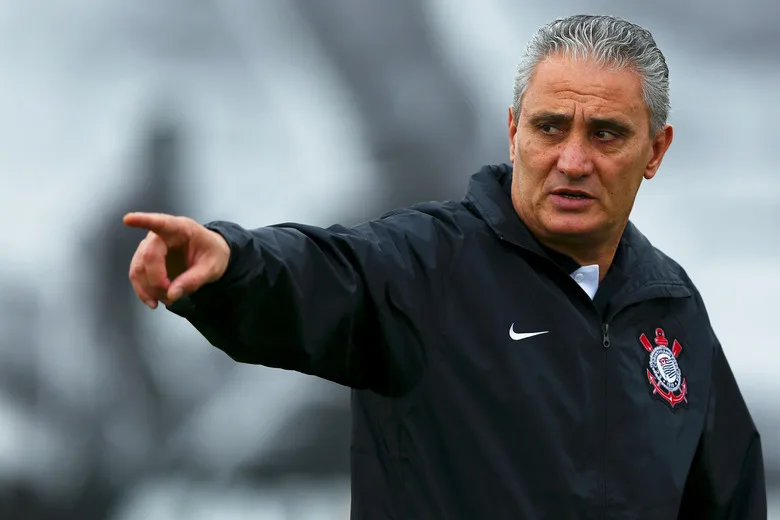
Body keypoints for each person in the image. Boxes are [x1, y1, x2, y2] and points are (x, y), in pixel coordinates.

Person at [124, 14, 766, 519]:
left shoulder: (669, 305)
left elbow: (725, 488)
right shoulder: (429, 266)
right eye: (549, 129)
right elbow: (329, 275)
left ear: (654, 151)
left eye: (605, 134)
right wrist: (233, 263)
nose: (573, 160)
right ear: (515, 132)